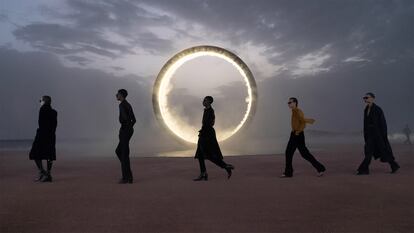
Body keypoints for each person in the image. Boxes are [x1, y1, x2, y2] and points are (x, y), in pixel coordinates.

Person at [281, 97, 326, 178]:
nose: (288, 104)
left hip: (297, 135)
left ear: (295, 103)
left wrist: (298, 131)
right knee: (299, 153)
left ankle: (289, 173)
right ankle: (320, 168)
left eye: (290, 102)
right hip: (294, 134)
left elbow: (303, 123)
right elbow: (302, 121)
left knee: (295, 153)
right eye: (288, 102)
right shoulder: (294, 111)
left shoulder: (298, 111)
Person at [357, 92, 400, 175]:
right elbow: (366, 124)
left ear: (373, 98)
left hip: (378, 135)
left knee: (384, 151)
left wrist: (383, 135)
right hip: (370, 135)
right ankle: (364, 170)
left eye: (367, 97)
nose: (365, 99)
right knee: (368, 152)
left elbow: (383, 123)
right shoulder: (366, 110)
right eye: (364, 98)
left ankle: (394, 165)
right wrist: (366, 134)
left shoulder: (377, 109)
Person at [194, 96, 234, 181]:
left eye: (205, 100)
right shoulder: (207, 110)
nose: (203, 102)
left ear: (209, 102)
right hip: (204, 133)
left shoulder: (210, 111)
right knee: (201, 155)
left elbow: (210, 124)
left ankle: (225, 166)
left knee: (209, 154)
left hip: (207, 134)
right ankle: (204, 173)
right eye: (203, 100)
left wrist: (204, 133)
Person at [29, 96, 58, 182]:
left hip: (42, 135)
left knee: (34, 154)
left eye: (40, 100)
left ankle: (42, 172)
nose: (40, 102)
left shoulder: (42, 109)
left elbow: (41, 123)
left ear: (44, 102)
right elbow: (54, 125)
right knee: (49, 156)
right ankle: (48, 174)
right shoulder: (54, 112)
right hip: (51, 136)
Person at [115, 89, 136, 184]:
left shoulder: (122, 105)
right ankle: (129, 175)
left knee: (123, 154)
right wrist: (129, 128)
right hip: (128, 130)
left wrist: (124, 129)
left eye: (118, 94)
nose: (116, 95)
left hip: (125, 131)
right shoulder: (128, 104)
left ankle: (126, 178)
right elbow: (134, 120)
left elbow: (125, 119)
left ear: (122, 95)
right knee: (120, 152)